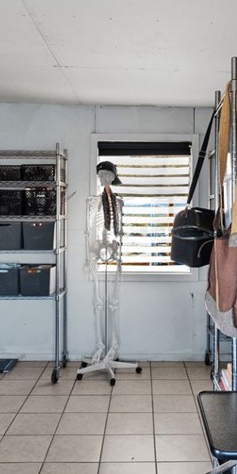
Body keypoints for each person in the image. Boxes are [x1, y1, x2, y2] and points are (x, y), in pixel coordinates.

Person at [79, 161, 140, 384]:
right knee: (97, 301)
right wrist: (88, 257)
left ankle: (112, 347)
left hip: (114, 249)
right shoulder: (92, 202)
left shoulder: (118, 202)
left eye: (108, 175)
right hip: (96, 249)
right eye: (101, 175)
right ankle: (100, 347)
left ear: (113, 178)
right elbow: (88, 230)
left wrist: (120, 257)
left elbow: (120, 231)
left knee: (112, 302)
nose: (104, 179)